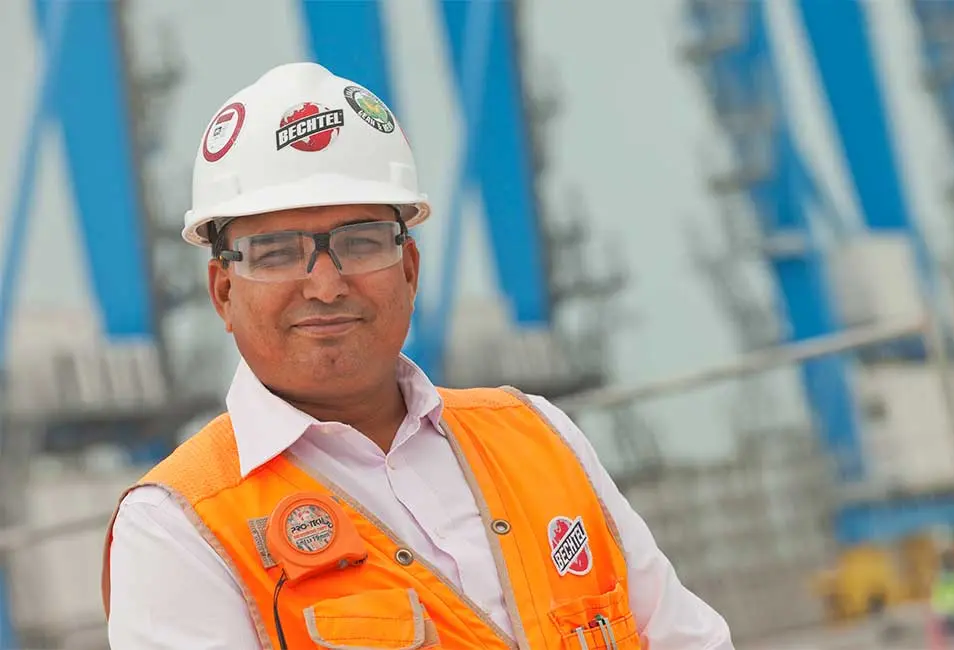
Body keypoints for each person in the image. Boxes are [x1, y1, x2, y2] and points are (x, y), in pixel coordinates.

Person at [100, 61, 734, 650]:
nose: (325, 284)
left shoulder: (538, 437)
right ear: (223, 291)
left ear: (409, 268)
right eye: (277, 253)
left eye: (360, 242)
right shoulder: (180, 527)